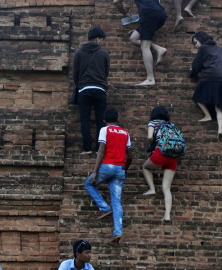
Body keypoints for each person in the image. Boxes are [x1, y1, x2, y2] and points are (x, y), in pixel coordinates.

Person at [84, 108, 133, 243]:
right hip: (120, 170)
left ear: (104, 120)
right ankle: (118, 232)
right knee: (117, 201)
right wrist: (125, 169)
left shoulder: (105, 130)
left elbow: (101, 151)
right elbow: (130, 156)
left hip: (107, 167)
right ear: (117, 119)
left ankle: (105, 207)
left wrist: (95, 171)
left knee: (89, 184)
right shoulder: (125, 133)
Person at [72, 27, 110, 155]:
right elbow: (106, 72)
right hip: (100, 89)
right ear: (97, 38)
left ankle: (87, 149)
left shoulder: (78, 53)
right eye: (101, 40)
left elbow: (75, 73)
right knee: (101, 120)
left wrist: (80, 85)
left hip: (84, 89)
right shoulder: (104, 53)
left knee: (85, 120)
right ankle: (100, 149)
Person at [189, 32, 222, 138]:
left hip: (210, 76)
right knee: (219, 105)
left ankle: (207, 115)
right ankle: (220, 129)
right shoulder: (219, 49)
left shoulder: (203, 49)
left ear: (201, 40)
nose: (196, 45)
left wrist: (192, 72)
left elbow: (196, 65)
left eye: (196, 42)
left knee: (197, 97)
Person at [113, 0, 167, 86]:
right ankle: (159, 49)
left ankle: (150, 79)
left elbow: (116, 1)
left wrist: (125, 13)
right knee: (134, 38)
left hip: (148, 14)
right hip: (161, 14)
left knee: (145, 46)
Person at [142, 106, 178, 222]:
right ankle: (167, 215)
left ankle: (152, 188)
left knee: (145, 167)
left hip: (160, 153)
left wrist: (151, 143)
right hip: (173, 156)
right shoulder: (171, 125)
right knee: (166, 188)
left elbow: (149, 137)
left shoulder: (153, 123)